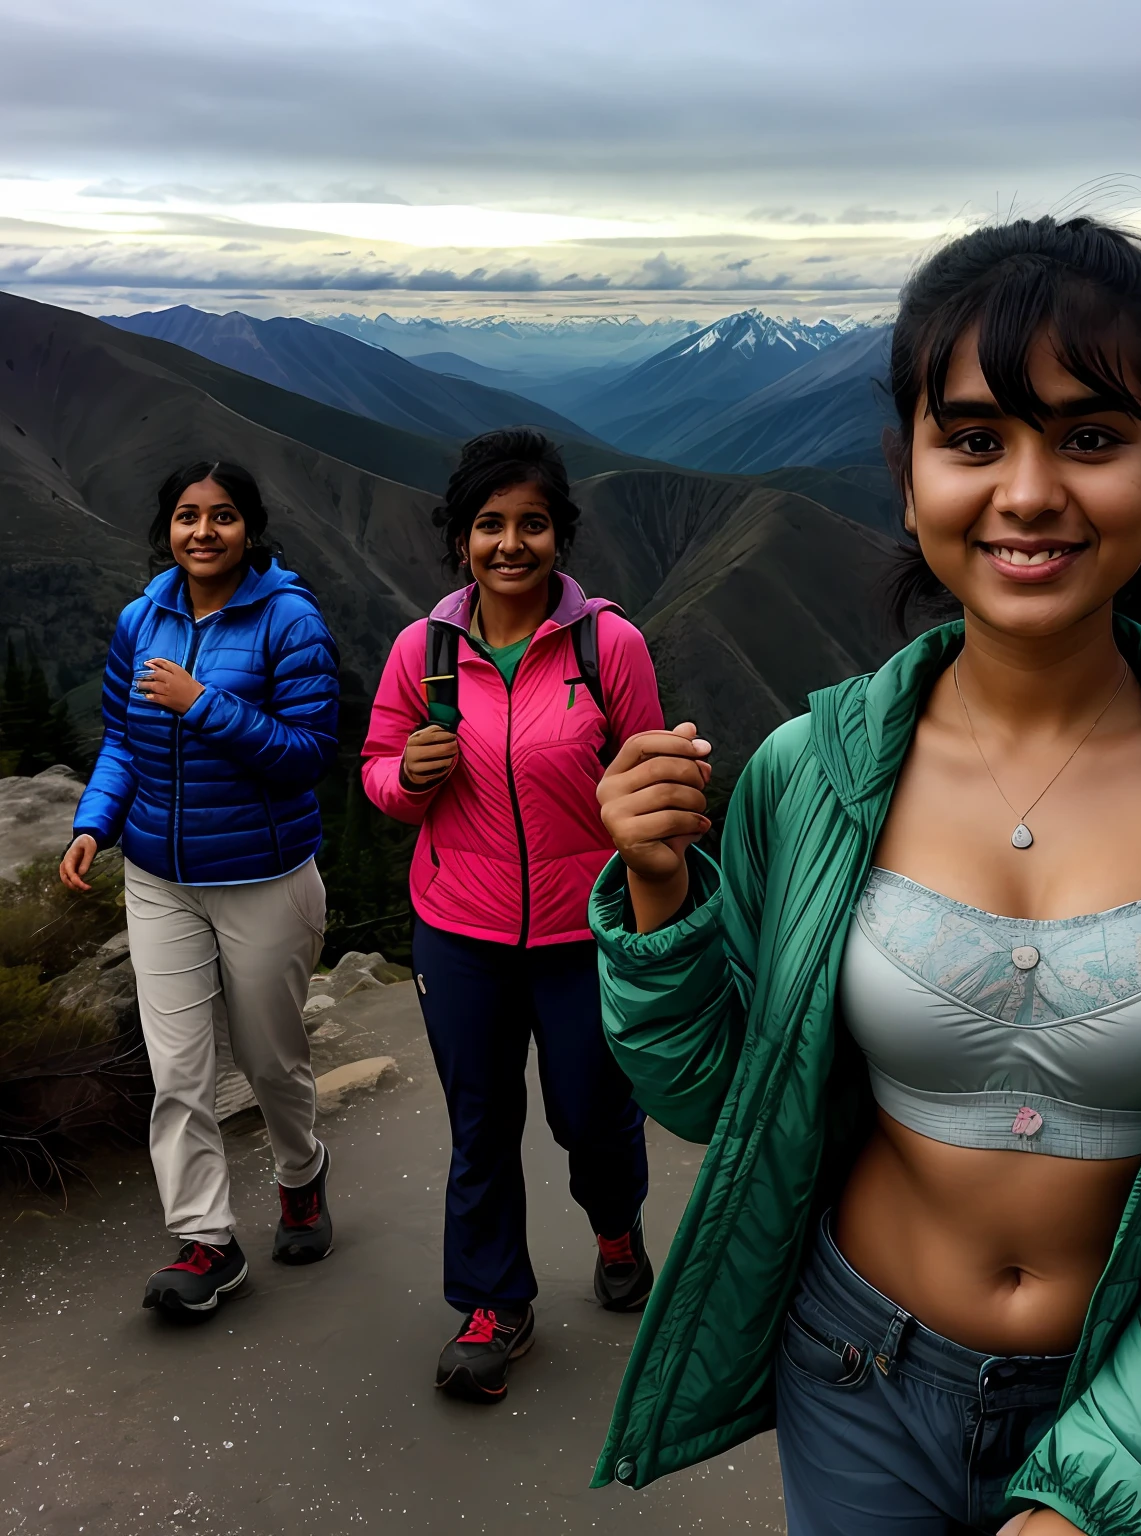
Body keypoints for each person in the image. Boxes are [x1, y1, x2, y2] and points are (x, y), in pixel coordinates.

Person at [589, 217, 1141, 1535]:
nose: (1028, 491)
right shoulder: (814, 773)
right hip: (860, 1378)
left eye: (1090, 437)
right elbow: (725, 1101)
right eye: (973, 441)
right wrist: (661, 898)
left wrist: (1100, 1495)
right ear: (908, 477)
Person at [362, 428, 664, 1404]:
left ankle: (615, 1223)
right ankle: (494, 1305)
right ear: (462, 540)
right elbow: (375, 766)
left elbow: (652, 780)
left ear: (559, 536)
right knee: (480, 1125)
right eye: (489, 524)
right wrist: (403, 778)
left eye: (531, 524)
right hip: (461, 932)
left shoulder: (605, 646)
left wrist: (662, 907)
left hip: (583, 936)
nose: (510, 544)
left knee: (593, 1117)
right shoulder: (424, 652)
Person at [60, 461, 340, 1316]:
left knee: (270, 1060)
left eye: (222, 517)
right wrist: (94, 822)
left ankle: (302, 1175)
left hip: (264, 875)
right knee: (179, 1068)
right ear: (168, 529)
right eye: (187, 516)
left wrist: (200, 703)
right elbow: (120, 738)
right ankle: (205, 1242)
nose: (203, 532)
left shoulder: (289, 621)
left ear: (249, 529)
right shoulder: (139, 619)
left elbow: (307, 752)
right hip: (158, 876)